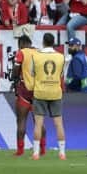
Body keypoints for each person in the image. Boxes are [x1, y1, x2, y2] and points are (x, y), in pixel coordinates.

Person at [28, 32, 67, 161]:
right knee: (58, 123)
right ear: (53, 42)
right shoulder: (61, 57)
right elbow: (61, 75)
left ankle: (35, 153)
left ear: (43, 42)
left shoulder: (36, 56)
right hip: (55, 92)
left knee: (38, 124)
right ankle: (62, 153)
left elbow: (32, 72)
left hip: (40, 92)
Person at [11, 33, 37, 156]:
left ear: (21, 43)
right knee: (39, 122)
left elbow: (16, 70)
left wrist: (14, 78)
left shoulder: (21, 52)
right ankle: (41, 149)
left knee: (21, 121)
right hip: (38, 91)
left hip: (24, 90)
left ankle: (20, 150)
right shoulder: (39, 53)